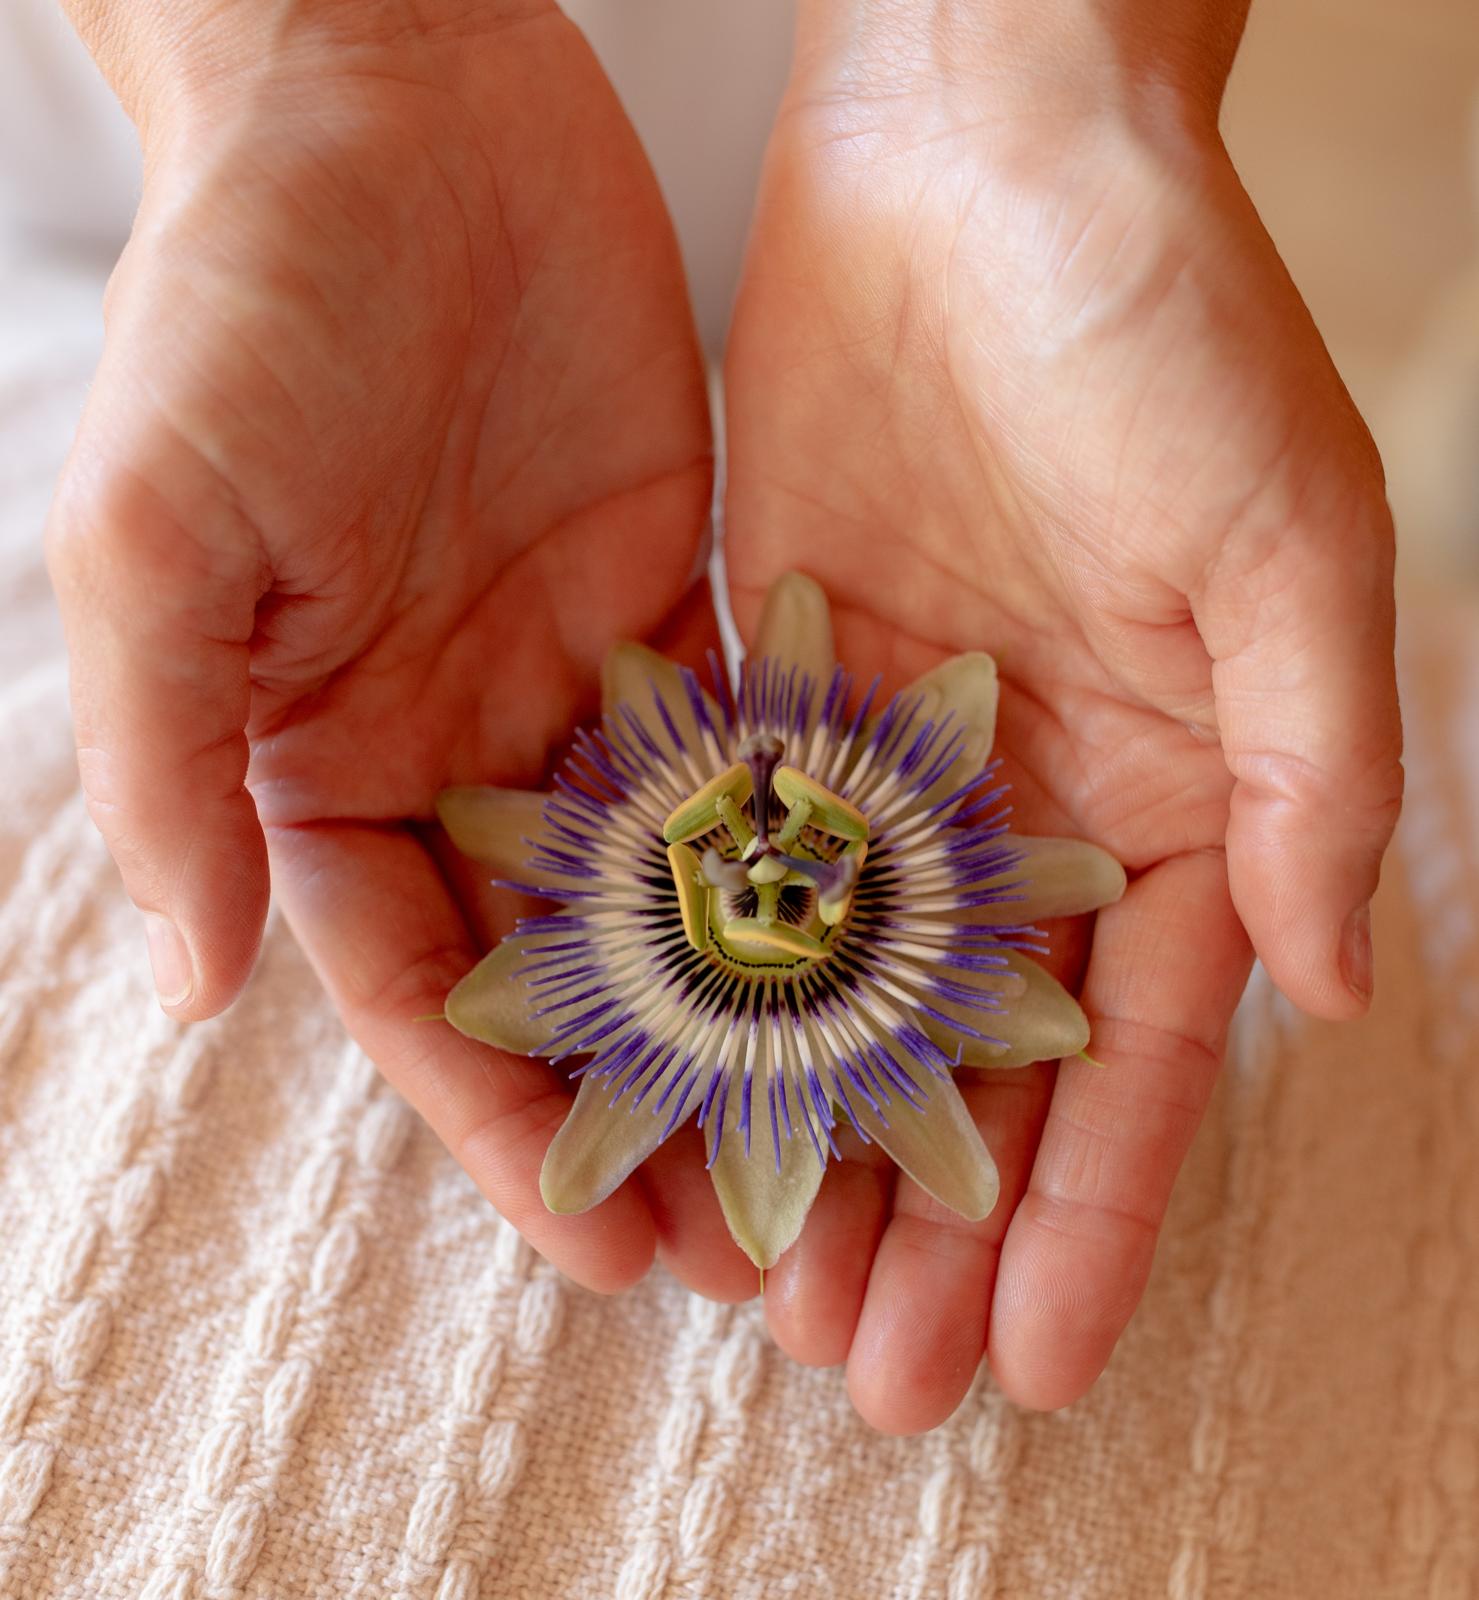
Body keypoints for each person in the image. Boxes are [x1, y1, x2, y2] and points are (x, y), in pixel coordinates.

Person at [43, 0, 1403, 1435]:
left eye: (746, 870)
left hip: (819, 224)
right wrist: (309, 54)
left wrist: (1008, 74)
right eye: (780, 876)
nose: (763, 868)